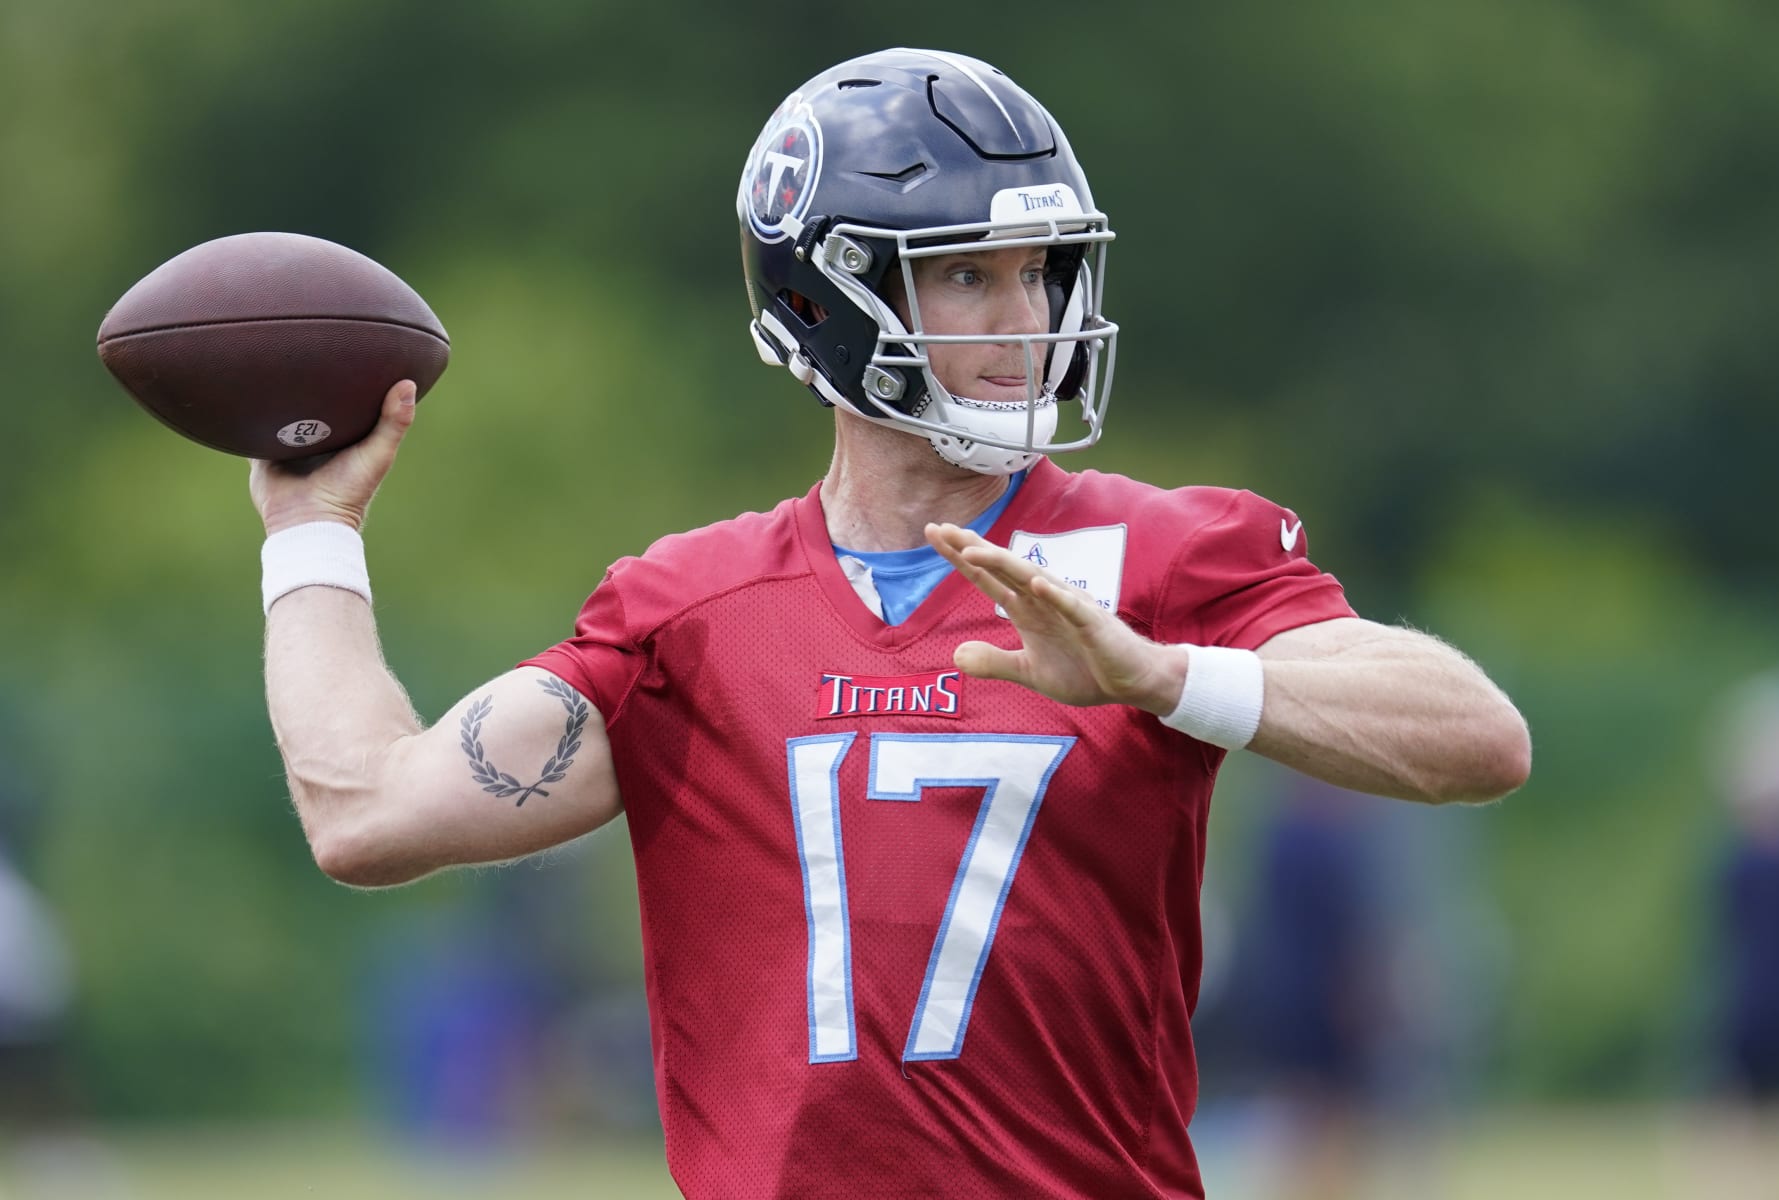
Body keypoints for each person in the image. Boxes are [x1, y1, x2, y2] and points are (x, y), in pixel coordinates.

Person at [250, 48, 1531, 1200]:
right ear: (822, 297)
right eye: (966, 276)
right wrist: (312, 531)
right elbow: (369, 813)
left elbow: (1477, 738)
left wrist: (1166, 673)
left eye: (1039, 273)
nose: (1024, 324)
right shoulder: (693, 614)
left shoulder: (1163, 556)